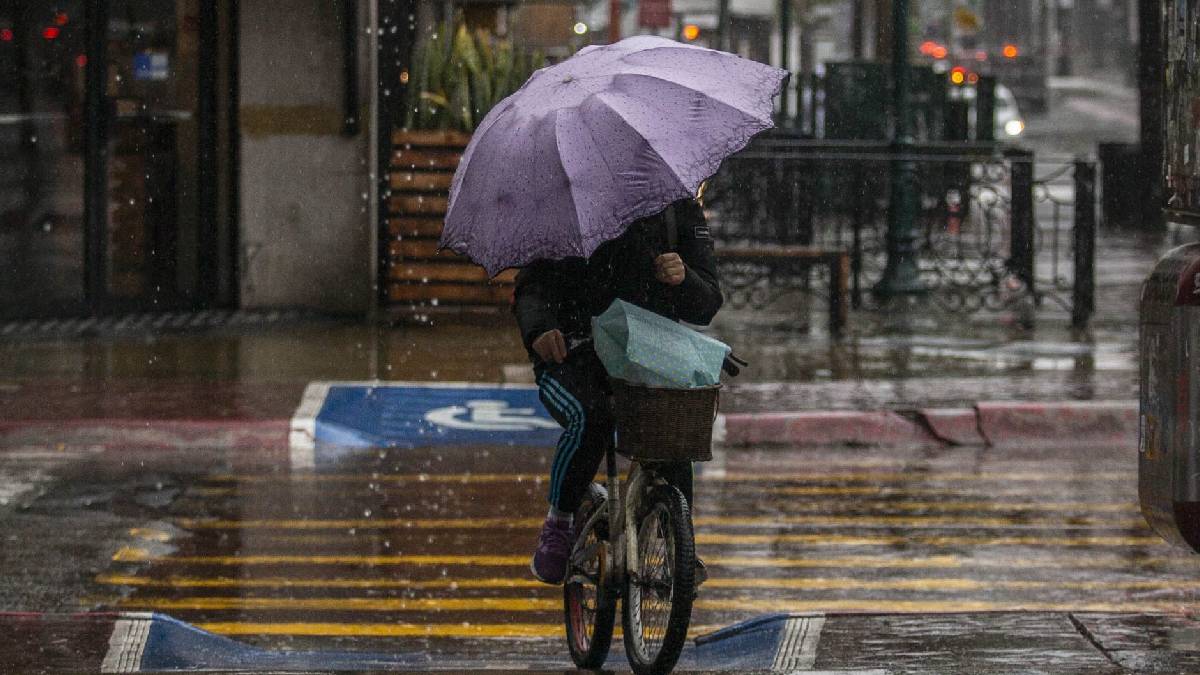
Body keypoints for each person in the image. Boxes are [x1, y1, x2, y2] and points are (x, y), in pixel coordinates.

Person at [512, 197, 723, 584]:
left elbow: (707, 303)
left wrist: (683, 279)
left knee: (672, 430)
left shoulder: (679, 210)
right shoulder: (565, 205)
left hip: (648, 355)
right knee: (590, 417)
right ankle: (558, 523)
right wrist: (540, 330)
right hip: (573, 355)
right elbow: (532, 287)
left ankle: (680, 548)